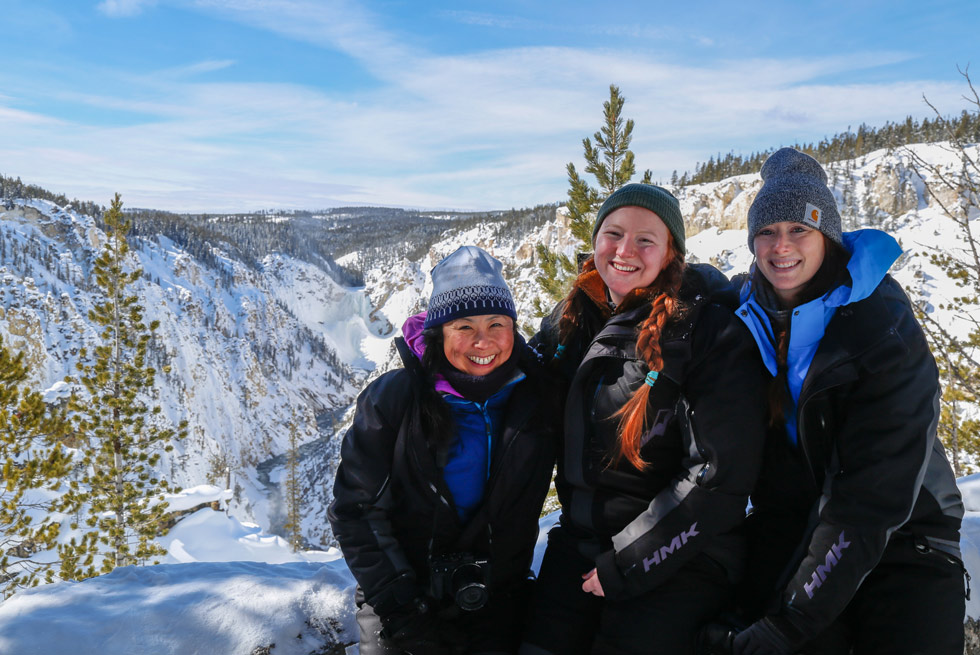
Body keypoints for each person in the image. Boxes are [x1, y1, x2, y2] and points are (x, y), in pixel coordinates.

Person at [726, 148, 966, 654]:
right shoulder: (749, 311)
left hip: (905, 536)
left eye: (800, 230)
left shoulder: (883, 328)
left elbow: (871, 499)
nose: (781, 245)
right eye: (767, 231)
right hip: (794, 530)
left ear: (828, 238)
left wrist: (790, 623)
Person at [519, 184, 768, 655]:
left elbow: (719, 475)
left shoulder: (708, 330)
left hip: (679, 557)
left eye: (646, 240)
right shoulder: (573, 317)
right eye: (613, 233)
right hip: (579, 544)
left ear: (671, 251)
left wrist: (630, 562)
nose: (625, 250)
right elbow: (510, 387)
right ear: (594, 242)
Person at [328, 246, 559, 655]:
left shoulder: (535, 398)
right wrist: (403, 610)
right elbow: (356, 510)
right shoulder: (394, 401)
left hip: (497, 597)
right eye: (464, 326)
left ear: (514, 329)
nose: (483, 341)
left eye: (496, 323)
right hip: (401, 596)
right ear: (439, 333)